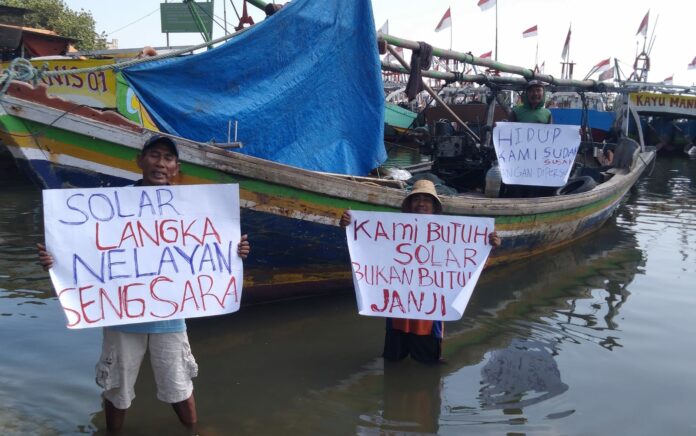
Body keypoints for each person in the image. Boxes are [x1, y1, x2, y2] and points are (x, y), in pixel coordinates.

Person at [37, 135, 251, 433]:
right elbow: (81, 246)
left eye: (167, 158)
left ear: (176, 167)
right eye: (154, 155)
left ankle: (192, 430)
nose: (160, 163)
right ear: (140, 160)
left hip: (171, 317)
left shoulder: (195, 207)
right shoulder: (111, 203)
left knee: (179, 384)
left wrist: (236, 252)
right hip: (121, 315)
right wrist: (55, 260)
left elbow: (212, 248)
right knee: (117, 389)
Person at [339, 179, 500, 364]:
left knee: (429, 364)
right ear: (409, 204)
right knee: (392, 361)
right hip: (397, 309)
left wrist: (489, 245)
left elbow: (467, 266)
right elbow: (368, 251)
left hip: (429, 314)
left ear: (434, 206)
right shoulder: (393, 228)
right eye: (417, 199)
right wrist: (349, 227)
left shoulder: (448, 233)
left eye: (427, 199)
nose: (421, 203)